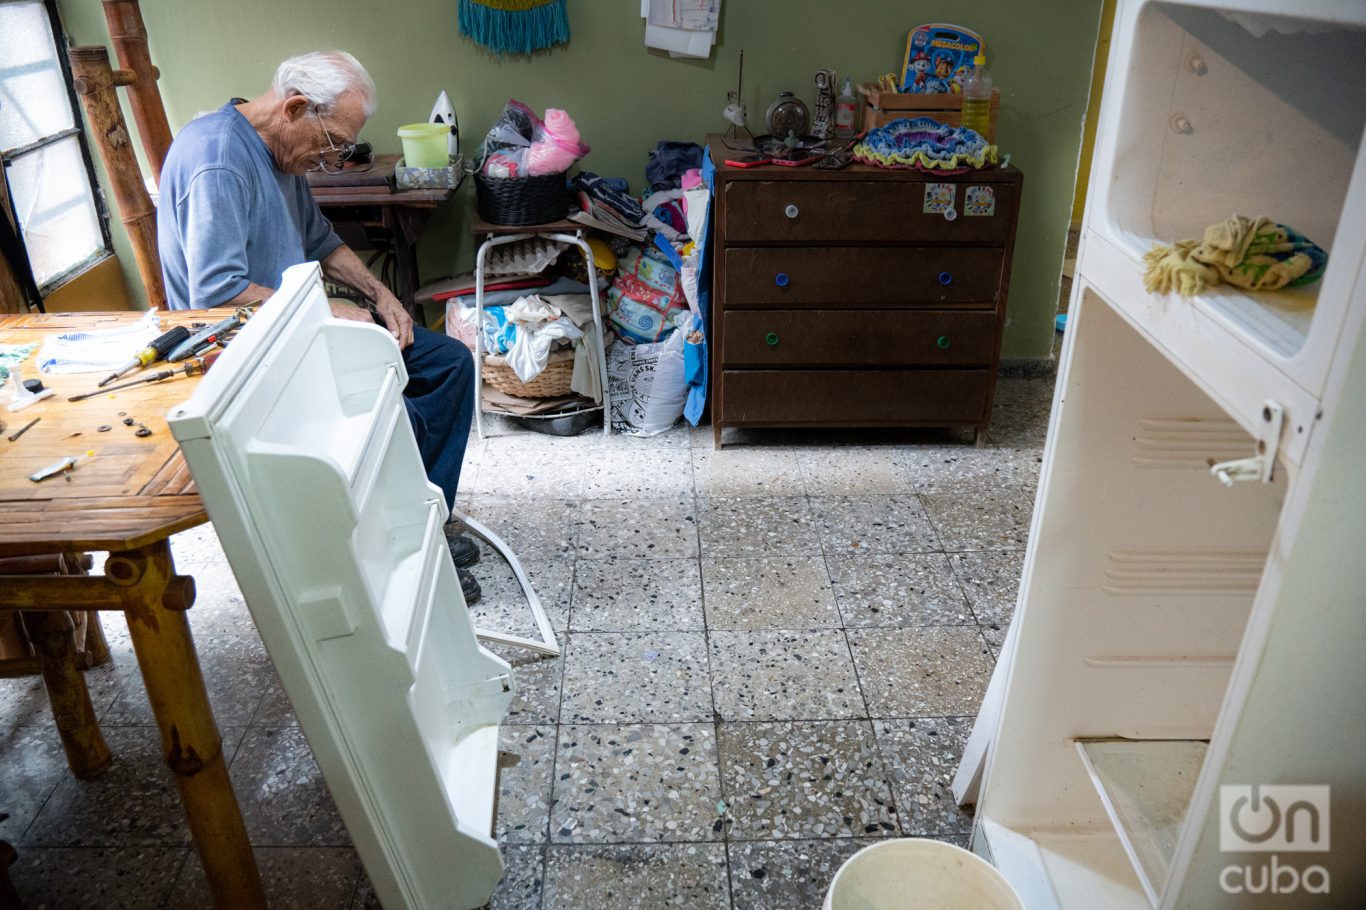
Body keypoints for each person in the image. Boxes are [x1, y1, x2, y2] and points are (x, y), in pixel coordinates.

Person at [157, 50, 482, 604]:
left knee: (450, 363)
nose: (330, 159)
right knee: (388, 410)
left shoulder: (281, 155)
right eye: (330, 142)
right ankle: (392, 541)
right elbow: (216, 292)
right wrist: (327, 309)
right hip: (246, 352)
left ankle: (423, 518)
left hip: (298, 330)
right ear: (295, 107)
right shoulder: (218, 159)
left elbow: (320, 239)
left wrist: (382, 295)